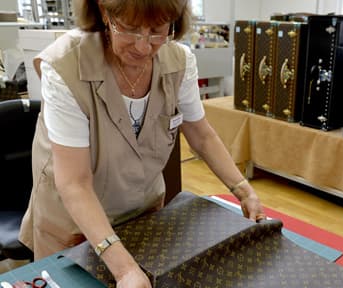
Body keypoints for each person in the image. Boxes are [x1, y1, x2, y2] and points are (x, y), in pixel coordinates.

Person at [19, 0, 266, 287]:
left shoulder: (178, 61)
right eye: (130, 29)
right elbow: (75, 184)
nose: (144, 47)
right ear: (104, 11)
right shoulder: (65, 66)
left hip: (143, 218)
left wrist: (243, 190)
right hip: (75, 226)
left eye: (158, 30)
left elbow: (201, 134)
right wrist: (124, 270)